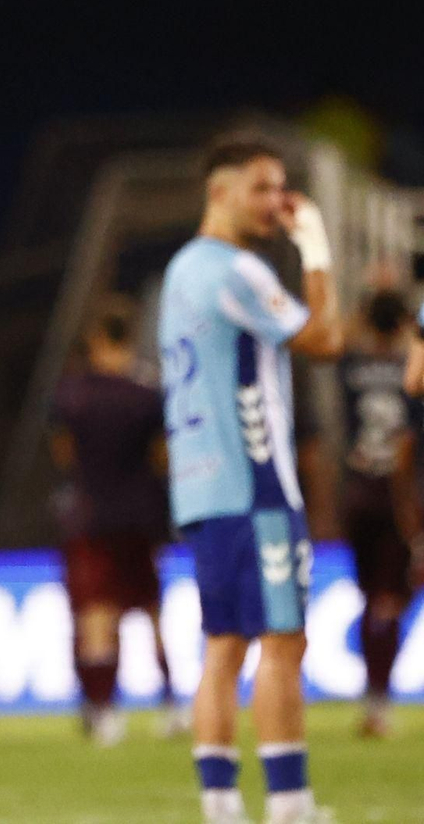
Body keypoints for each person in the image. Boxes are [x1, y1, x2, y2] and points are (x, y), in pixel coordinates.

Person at [158, 136, 344, 824]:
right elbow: (325, 338)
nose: (276, 203)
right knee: (283, 639)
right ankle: (292, 804)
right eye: (262, 188)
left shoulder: (181, 271)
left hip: (202, 485)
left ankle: (221, 803)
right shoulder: (235, 269)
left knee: (224, 643)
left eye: (282, 190)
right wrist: (315, 246)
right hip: (255, 481)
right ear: (220, 191)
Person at [50, 296, 180, 745]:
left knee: (96, 615)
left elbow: (63, 453)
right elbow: (163, 456)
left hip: (91, 516)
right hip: (140, 514)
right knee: (150, 608)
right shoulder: (149, 395)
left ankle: (104, 710)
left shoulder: (74, 394)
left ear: (96, 339)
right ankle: (171, 702)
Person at [337, 288, 422, 737]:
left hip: (356, 491)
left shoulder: (352, 365)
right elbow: (407, 442)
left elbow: (339, 339)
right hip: (395, 495)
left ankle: (372, 697)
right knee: (392, 599)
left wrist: (365, 303)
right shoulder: (412, 369)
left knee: (372, 598)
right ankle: (379, 701)